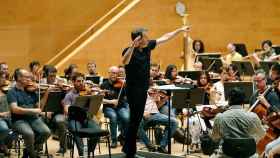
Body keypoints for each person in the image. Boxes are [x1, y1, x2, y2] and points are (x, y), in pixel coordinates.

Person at [121, 26, 190, 158]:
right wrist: (132, 46)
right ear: (139, 39)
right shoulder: (129, 51)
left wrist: (179, 30)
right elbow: (124, 61)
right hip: (133, 90)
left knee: (135, 120)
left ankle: (128, 149)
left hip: (143, 89)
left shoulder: (147, 47)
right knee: (135, 120)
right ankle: (130, 152)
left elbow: (164, 37)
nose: (148, 37)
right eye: (145, 35)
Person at [7, 68, 51, 158]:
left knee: (46, 132)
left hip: (33, 118)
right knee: (29, 133)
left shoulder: (31, 91)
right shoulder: (12, 92)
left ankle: (28, 150)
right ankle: (33, 155)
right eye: (27, 77)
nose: (29, 79)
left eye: (29, 77)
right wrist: (32, 111)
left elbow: (40, 108)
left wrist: (46, 93)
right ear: (19, 78)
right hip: (19, 120)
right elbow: (14, 109)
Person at [210, 87, 265, 158]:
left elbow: (215, 138)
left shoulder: (220, 117)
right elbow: (261, 135)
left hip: (226, 154)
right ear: (243, 101)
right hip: (248, 155)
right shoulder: (253, 116)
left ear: (229, 100)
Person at [62, 72, 99, 157]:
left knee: (97, 131)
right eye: (78, 81)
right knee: (77, 132)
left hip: (85, 118)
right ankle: (82, 154)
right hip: (74, 119)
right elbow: (67, 110)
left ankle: (89, 152)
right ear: (73, 82)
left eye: (82, 81)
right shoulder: (69, 95)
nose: (81, 83)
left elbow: (93, 109)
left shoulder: (87, 93)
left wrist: (92, 97)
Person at [101, 66, 129, 148]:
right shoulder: (103, 85)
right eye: (113, 73)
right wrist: (111, 101)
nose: (114, 75)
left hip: (120, 107)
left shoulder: (122, 83)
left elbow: (127, 96)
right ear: (109, 73)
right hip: (108, 108)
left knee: (126, 118)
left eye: (116, 73)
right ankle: (114, 140)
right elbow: (101, 100)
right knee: (113, 117)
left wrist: (127, 86)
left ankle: (123, 137)